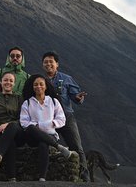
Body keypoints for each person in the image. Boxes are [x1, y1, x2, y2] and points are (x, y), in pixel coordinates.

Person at [42, 51, 90, 182]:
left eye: (51, 61)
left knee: (76, 146)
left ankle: (85, 177)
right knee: (46, 145)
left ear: (57, 64)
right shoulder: (40, 81)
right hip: (48, 118)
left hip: (66, 116)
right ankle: (44, 175)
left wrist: (78, 98)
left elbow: (75, 96)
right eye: (45, 62)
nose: (48, 64)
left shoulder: (66, 79)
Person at [20, 74, 78, 182]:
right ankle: (59, 147)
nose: (38, 87)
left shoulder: (53, 102)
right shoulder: (27, 103)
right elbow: (24, 122)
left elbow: (61, 119)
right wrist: (41, 126)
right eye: (35, 84)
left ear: (46, 86)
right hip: (33, 137)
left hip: (50, 135)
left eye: (41, 84)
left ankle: (42, 178)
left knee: (43, 144)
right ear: (32, 87)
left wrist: (44, 124)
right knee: (31, 128)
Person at [0, 72, 26, 182]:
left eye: (11, 81)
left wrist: (7, 126)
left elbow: (22, 119)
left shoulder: (19, 99)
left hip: (17, 133)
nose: (8, 82)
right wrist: (1, 129)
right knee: (10, 143)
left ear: (14, 83)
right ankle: (12, 178)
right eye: (5, 80)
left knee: (12, 125)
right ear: (1, 82)